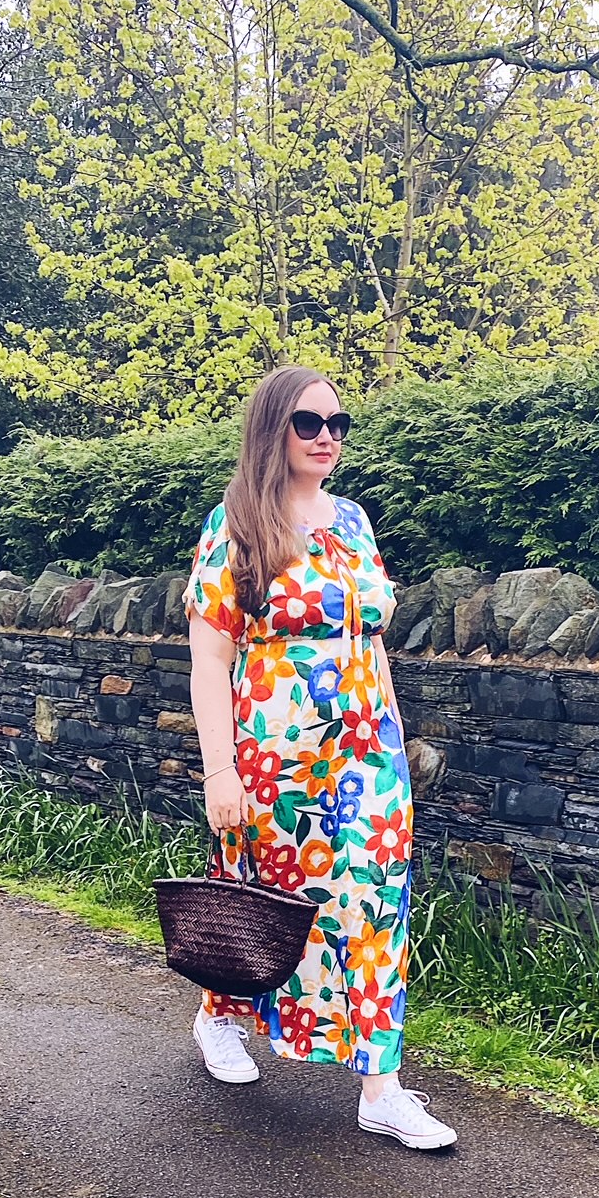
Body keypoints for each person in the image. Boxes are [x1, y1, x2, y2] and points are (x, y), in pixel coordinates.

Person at [182, 363, 456, 1151]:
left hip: (368, 752)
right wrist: (219, 771)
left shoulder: (357, 523)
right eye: (309, 423)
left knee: (374, 906)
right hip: (275, 754)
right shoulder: (233, 526)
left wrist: (396, 742)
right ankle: (218, 1017)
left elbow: (371, 642)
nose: (327, 437)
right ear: (274, 429)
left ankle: (382, 1088)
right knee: (265, 899)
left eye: (338, 424)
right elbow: (209, 662)